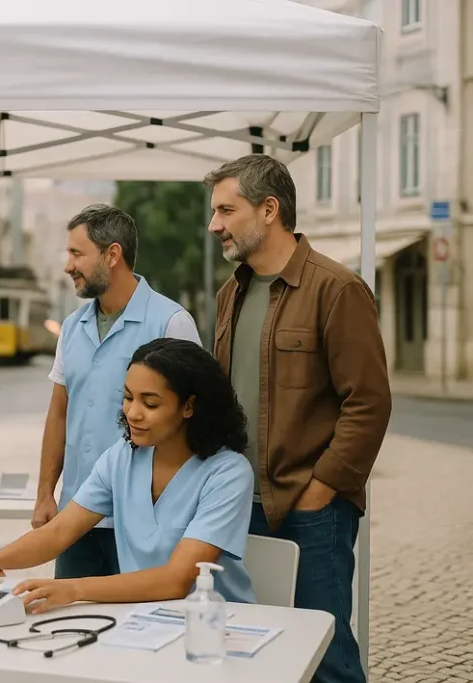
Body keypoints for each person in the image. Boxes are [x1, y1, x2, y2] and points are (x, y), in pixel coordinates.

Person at [204, 154, 391, 683]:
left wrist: (322, 488)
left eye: (225, 209)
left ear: (269, 209)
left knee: (326, 654)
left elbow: (369, 403)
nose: (213, 224)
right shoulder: (229, 295)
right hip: (237, 508)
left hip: (311, 513)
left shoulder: (337, 289)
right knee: (257, 648)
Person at [0, 338, 255, 610]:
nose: (133, 413)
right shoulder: (122, 458)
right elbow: (59, 532)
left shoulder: (227, 474)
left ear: (189, 406)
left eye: (150, 403)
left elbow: (176, 580)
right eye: (128, 398)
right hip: (143, 620)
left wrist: (73, 589)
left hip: (217, 627)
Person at [36, 204, 203, 581]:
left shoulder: (171, 322)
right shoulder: (72, 327)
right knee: (70, 624)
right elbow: (59, 413)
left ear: (112, 255)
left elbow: (198, 421)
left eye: (77, 254)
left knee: (141, 628)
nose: (68, 265)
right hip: (75, 517)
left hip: (146, 522)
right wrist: (45, 493)